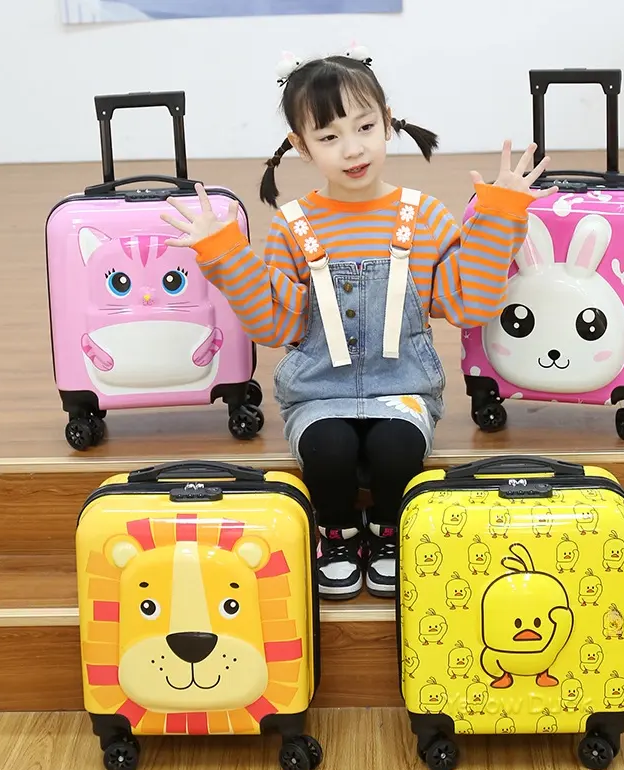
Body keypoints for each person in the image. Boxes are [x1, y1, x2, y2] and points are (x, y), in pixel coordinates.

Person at [161, 45, 557, 602]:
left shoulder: (425, 216)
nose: (352, 149)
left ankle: (390, 532)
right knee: (328, 449)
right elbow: (273, 326)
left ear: (387, 122)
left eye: (365, 127)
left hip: (404, 387)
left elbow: (469, 303)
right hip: (317, 391)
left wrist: (499, 216)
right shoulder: (291, 226)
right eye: (329, 137)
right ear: (301, 146)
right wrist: (224, 254)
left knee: (397, 449)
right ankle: (337, 533)